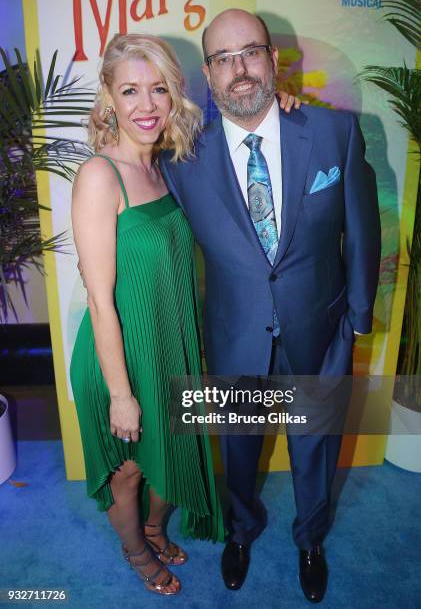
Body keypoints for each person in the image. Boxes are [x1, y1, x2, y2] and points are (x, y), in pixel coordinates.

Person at [159, 9, 381, 602]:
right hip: (235, 337)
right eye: (223, 59)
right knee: (240, 448)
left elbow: (362, 227)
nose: (239, 70)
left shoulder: (334, 132)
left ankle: (311, 538)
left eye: (250, 52)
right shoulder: (180, 159)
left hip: (321, 329)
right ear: (209, 74)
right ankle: (241, 532)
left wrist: (357, 318)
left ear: (273, 58)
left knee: (316, 447)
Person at [70, 32, 298, 597]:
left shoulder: (170, 165)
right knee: (128, 473)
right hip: (120, 352)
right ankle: (135, 550)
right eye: (130, 91)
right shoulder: (100, 177)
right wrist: (122, 395)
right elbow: (101, 299)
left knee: (173, 451)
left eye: (159, 90)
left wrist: (282, 106)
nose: (146, 106)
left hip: (173, 344)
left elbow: (244, 138)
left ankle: (152, 527)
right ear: (109, 99)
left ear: (174, 96)